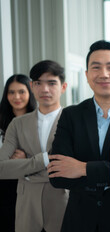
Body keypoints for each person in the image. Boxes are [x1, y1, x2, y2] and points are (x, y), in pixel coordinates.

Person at [48, 40, 110, 232]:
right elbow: (57, 176)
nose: (104, 74)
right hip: (79, 220)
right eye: (96, 67)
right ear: (87, 75)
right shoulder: (71, 115)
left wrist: (82, 168)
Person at [0, 60, 69, 232]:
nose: (45, 89)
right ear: (32, 86)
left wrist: (25, 169)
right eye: (38, 83)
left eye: (52, 83)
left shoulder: (73, 121)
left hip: (61, 204)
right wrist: (44, 159)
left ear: (63, 87)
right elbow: (1, 169)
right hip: (26, 207)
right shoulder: (17, 123)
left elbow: (73, 166)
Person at [0, 74, 36, 232]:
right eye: (11, 92)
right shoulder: (2, 121)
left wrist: (25, 159)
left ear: (30, 93)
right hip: (4, 186)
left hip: (31, 184)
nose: (16, 97)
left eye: (22, 91)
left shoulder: (39, 121)